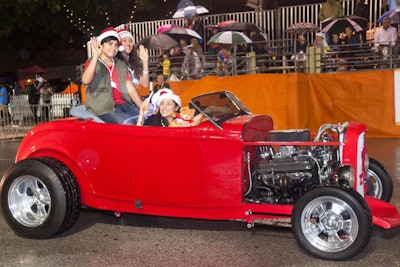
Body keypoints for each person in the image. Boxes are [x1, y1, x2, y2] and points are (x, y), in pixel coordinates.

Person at [81, 27, 143, 125]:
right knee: (128, 123)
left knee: (145, 118)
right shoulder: (93, 62)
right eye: (110, 44)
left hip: (123, 104)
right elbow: (85, 80)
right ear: (101, 45)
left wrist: (142, 107)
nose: (113, 48)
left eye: (116, 45)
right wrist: (96, 56)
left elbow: (130, 87)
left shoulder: (120, 64)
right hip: (103, 107)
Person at [116, 27, 150, 92]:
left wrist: (145, 62)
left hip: (134, 99)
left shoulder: (131, 62)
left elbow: (145, 84)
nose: (128, 44)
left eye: (131, 41)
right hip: (122, 100)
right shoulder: (114, 62)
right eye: (124, 40)